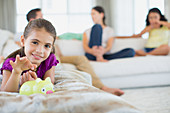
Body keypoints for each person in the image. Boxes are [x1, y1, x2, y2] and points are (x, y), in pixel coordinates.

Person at [13, 8, 124, 96]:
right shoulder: (25, 36)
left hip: (57, 56)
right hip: (50, 58)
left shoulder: (47, 33)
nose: (43, 18)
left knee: (81, 58)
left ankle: (102, 87)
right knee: (52, 58)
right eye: (41, 17)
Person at [0, 19, 59, 92]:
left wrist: (32, 84)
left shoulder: (50, 59)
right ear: (23, 41)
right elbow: (5, 92)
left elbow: (49, 84)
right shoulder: (11, 63)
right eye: (35, 42)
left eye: (47, 46)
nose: (40, 51)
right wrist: (16, 72)